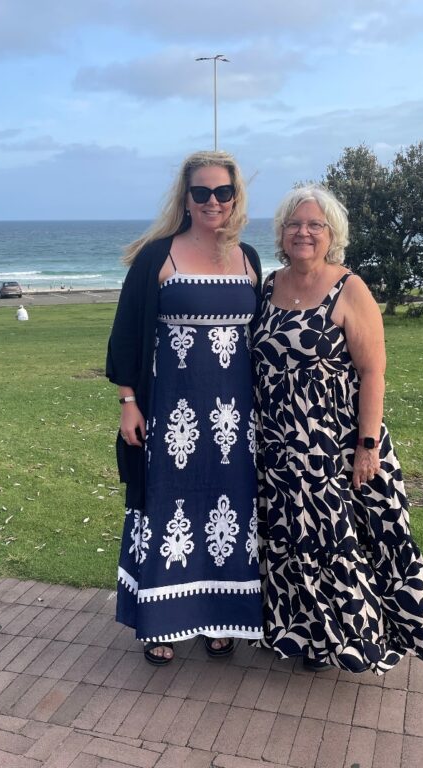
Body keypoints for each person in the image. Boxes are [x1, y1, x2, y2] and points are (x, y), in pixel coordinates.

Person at [251, 185, 423, 673]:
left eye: (315, 225)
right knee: (290, 544)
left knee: (341, 542)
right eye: (295, 224)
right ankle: (307, 638)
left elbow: (372, 372)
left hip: (334, 445)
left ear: (332, 235)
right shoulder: (267, 285)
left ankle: (357, 640)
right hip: (278, 447)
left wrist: (367, 445)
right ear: (281, 233)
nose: (304, 232)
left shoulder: (349, 288)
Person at [106, 151, 264, 665]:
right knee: (170, 507)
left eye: (222, 192)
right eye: (202, 192)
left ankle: (221, 619)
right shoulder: (158, 256)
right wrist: (129, 402)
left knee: (230, 509)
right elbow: (127, 335)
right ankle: (162, 621)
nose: (212, 201)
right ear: (186, 197)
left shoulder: (250, 258)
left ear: (235, 197)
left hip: (235, 421)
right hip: (172, 415)